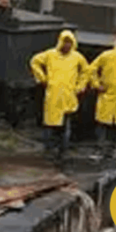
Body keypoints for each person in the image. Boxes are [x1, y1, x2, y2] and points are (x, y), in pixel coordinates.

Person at [29, 30, 91, 160]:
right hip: (53, 95)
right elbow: (34, 61)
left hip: (68, 96)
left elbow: (86, 71)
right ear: (60, 42)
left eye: (70, 42)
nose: (67, 45)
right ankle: (48, 150)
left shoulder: (77, 57)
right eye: (65, 42)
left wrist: (80, 87)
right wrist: (42, 78)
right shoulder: (50, 54)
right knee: (50, 124)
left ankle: (62, 150)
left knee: (65, 125)